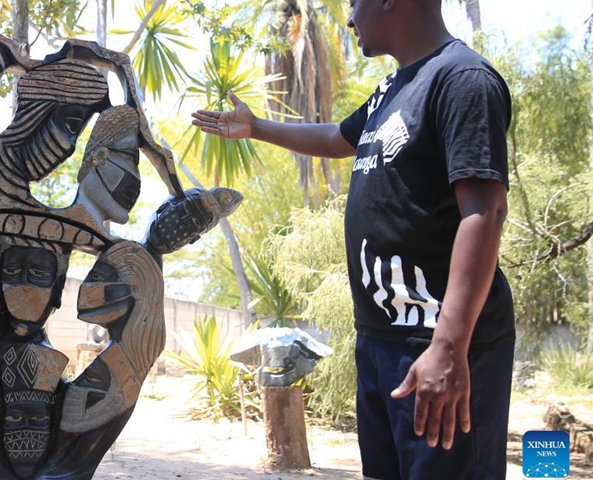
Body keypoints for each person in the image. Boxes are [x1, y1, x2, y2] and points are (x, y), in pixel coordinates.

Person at [192, 0, 514, 478]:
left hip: (437, 343)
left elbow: (485, 212)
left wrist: (448, 348)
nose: (348, 17)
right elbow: (336, 140)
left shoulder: (463, 79)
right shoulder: (393, 88)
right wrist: (255, 128)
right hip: (382, 340)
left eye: (354, 3)